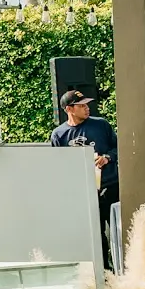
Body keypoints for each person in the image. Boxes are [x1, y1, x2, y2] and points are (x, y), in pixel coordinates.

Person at [51, 88, 118, 251]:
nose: (87, 108)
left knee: (120, 231)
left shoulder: (101, 124)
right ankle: (103, 272)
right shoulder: (59, 135)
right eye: (81, 106)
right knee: (96, 235)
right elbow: (58, 167)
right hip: (84, 192)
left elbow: (118, 147)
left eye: (87, 104)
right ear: (69, 109)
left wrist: (107, 158)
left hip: (111, 187)